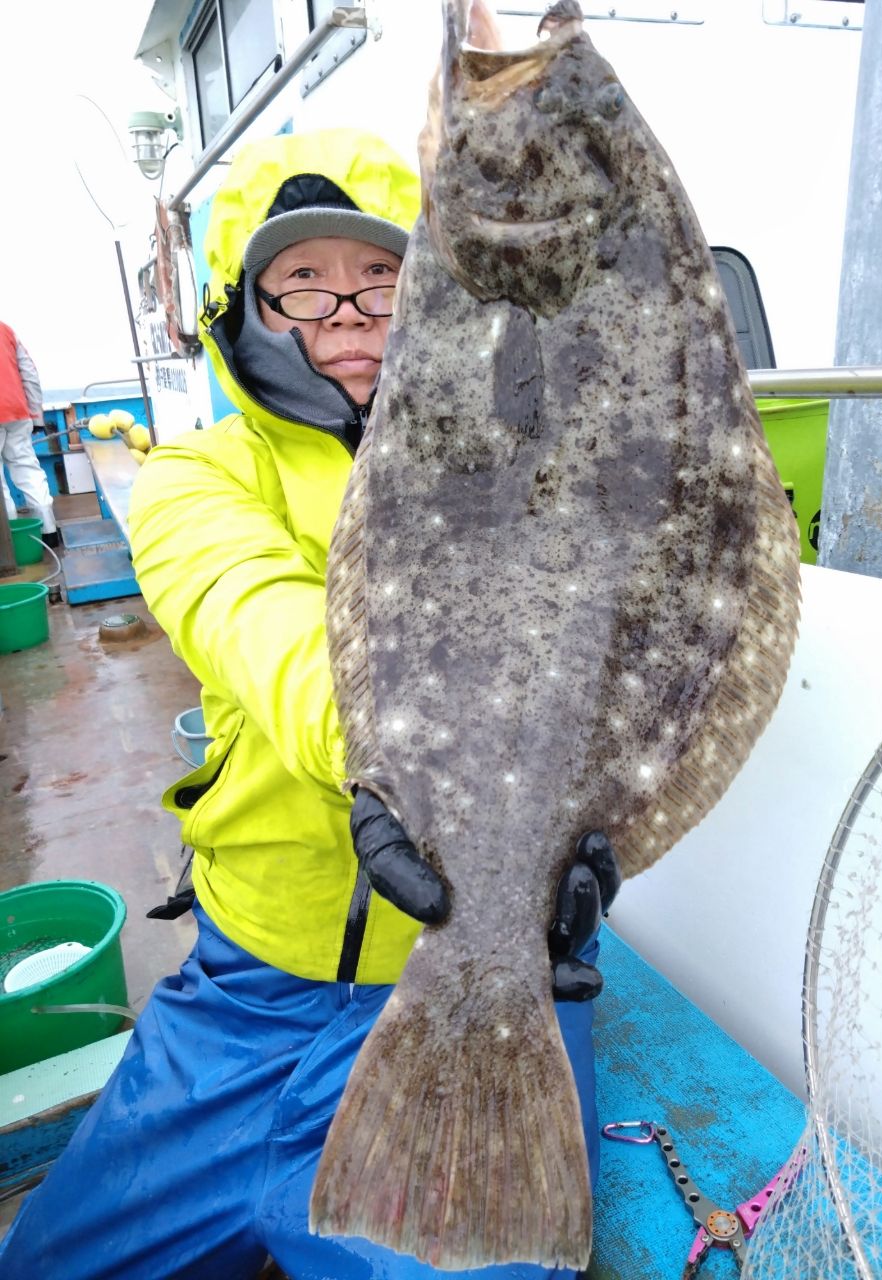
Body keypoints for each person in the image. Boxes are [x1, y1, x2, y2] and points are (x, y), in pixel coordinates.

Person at [0, 129, 619, 1280]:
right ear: (248, 308)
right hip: (255, 981)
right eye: (303, 284)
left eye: (383, 281)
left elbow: (598, 653)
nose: (347, 313)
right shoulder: (201, 476)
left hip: (481, 976)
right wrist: (398, 763)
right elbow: (260, 621)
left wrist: (601, 826)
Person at [0, 320, 58, 546]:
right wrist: (36, 416)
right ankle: (48, 531)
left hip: (15, 414)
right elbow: (29, 374)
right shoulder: (6, 330)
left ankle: (9, 544)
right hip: (17, 414)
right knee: (28, 471)